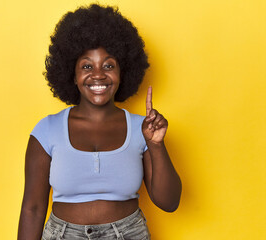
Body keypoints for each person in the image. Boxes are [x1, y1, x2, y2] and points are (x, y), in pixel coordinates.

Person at [18, 4, 181, 240]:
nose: (98, 75)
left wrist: (156, 145)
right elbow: (32, 209)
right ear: (72, 75)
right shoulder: (47, 130)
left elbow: (170, 202)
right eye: (86, 66)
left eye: (108, 65)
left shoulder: (142, 128)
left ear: (122, 72)